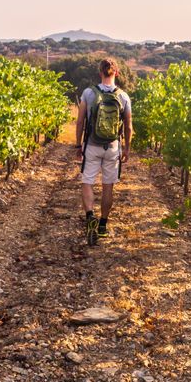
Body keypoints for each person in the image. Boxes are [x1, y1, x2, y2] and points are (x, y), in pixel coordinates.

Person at [75, 58, 132, 244]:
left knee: (87, 182)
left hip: (92, 145)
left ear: (100, 72)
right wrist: (127, 148)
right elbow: (128, 127)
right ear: (117, 73)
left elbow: (80, 121)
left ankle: (90, 215)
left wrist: (78, 145)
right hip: (112, 147)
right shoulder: (123, 96)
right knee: (108, 186)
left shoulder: (88, 93)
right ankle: (102, 225)